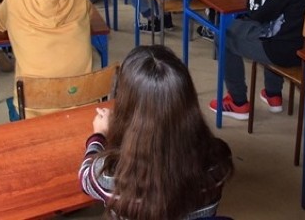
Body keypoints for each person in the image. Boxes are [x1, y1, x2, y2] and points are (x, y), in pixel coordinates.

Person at [79, 45, 233, 220]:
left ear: (126, 104)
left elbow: (85, 177)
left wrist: (98, 135)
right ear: (188, 101)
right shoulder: (218, 162)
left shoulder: (110, 174)